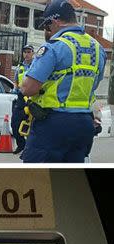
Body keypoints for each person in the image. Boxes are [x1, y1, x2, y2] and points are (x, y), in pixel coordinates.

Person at [19, 0, 106, 163]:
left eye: (47, 27)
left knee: (35, 180)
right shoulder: (98, 48)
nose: (47, 31)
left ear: (55, 21)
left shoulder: (54, 47)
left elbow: (28, 88)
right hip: (84, 125)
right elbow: (95, 83)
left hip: (53, 124)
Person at [11, 44, 35, 154]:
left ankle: (30, 147)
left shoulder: (37, 65)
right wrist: (15, 88)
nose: (26, 54)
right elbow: (15, 80)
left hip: (33, 97)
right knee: (15, 123)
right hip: (21, 97)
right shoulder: (20, 67)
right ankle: (21, 145)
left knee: (33, 125)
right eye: (25, 52)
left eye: (29, 52)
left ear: (33, 53)